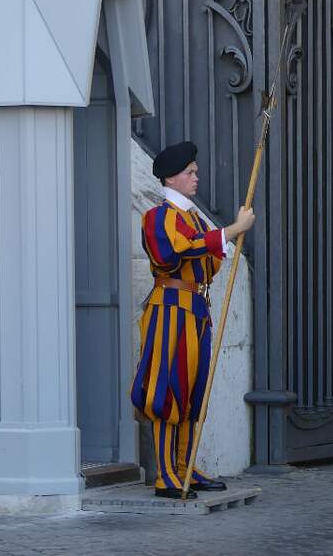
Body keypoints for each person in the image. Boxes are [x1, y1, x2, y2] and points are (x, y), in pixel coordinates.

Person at [130, 141, 255, 499]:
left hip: (196, 310)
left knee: (191, 391)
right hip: (170, 309)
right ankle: (166, 474)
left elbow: (206, 262)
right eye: (190, 173)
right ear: (172, 178)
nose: (196, 177)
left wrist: (223, 240)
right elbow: (173, 253)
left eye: (195, 171)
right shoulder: (158, 217)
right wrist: (229, 231)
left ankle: (185, 467)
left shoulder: (193, 219)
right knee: (167, 389)